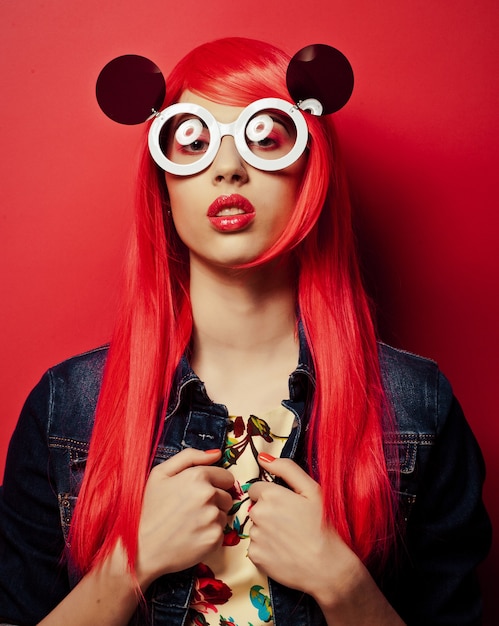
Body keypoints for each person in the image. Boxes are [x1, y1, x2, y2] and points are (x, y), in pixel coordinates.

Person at [0, 37, 491, 626]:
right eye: (191, 141)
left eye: (266, 139)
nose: (228, 168)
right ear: (164, 188)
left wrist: (343, 585)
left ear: (309, 173)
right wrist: (128, 566)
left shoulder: (418, 407)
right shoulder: (67, 409)